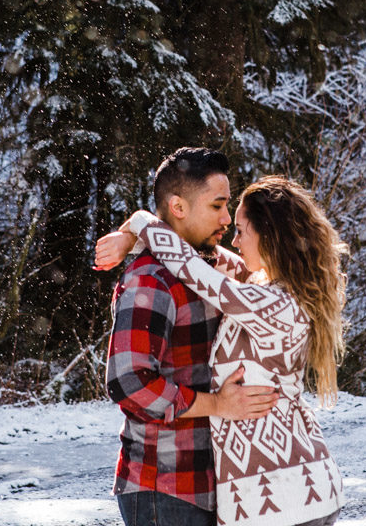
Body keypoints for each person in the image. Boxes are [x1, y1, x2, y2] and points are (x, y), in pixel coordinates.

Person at [99, 174, 347, 526]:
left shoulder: (270, 303)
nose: (233, 237)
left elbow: (193, 269)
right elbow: (205, 261)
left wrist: (141, 221)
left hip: (279, 498)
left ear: (270, 238)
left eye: (242, 231)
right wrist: (132, 235)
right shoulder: (269, 289)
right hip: (286, 491)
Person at [103, 147, 281, 526]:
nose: (227, 218)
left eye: (228, 205)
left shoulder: (214, 267)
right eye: (217, 206)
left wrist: (132, 231)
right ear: (179, 208)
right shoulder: (151, 279)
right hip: (163, 487)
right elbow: (128, 381)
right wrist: (218, 405)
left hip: (213, 484)